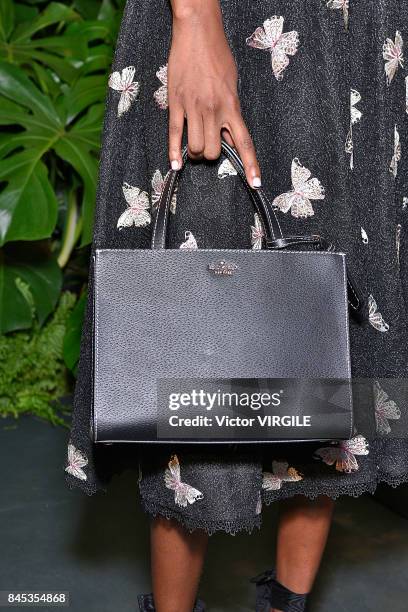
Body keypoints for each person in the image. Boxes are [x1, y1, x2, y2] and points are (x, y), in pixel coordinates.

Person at [65, 1, 408, 611]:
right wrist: (194, 20)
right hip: (233, 17)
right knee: (197, 327)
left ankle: (288, 604)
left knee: (316, 319)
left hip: (360, 26)